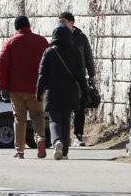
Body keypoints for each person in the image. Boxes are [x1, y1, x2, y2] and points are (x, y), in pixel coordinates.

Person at [0, 16, 50, 158]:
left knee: (19, 119)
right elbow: (50, 61)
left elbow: (2, 65)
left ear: (16, 27)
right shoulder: (42, 41)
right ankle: (40, 139)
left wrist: (2, 86)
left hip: (16, 88)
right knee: (38, 116)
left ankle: (20, 150)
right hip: (36, 87)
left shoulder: (10, 42)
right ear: (29, 25)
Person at [36, 26, 90, 160]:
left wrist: (38, 92)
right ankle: (64, 151)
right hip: (69, 92)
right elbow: (81, 76)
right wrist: (85, 91)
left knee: (54, 120)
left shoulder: (48, 52)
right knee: (66, 121)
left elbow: (42, 75)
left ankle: (56, 142)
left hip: (52, 92)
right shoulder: (75, 52)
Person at [60, 12, 97, 147]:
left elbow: (88, 57)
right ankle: (63, 137)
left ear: (71, 22)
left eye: (63, 21)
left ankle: (78, 135)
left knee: (79, 107)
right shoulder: (57, 35)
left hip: (79, 77)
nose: (61, 24)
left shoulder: (81, 38)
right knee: (63, 108)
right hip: (62, 78)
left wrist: (91, 76)